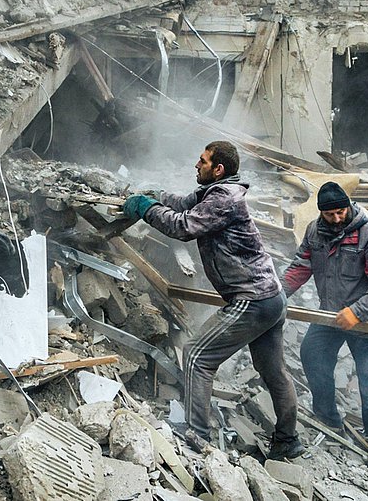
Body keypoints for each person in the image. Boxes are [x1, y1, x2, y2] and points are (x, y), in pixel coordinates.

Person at [123, 141, 302, 459]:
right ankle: (288, 441)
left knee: (196, 355)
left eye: (202, 161)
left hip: (252, 298)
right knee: (273, 371)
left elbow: (183, 226)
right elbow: (183, 203)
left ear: (218, 169)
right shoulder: (217, 191)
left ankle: (196, 433)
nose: (196, 164)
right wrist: (158, 194)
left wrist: (145, 209)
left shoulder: (224, 199)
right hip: (271, 297)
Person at [282, 181, 368, 469]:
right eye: (330, 214)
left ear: (348, 206)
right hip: (330, 314)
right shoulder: (314, 230)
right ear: (321, 213)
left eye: (341, 212)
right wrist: (275, 295)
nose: (337, 219)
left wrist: (357, 312)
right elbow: (301, 267)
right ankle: (328, 418)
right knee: (312, 353)